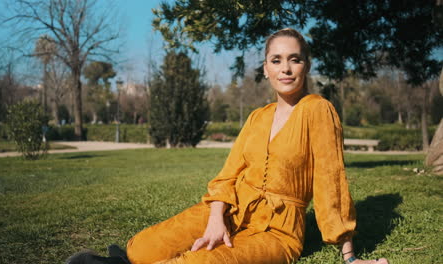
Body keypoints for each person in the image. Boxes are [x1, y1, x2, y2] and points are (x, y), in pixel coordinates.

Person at [67, 28, 389, 264]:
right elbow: (227, 175)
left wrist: (349, 257)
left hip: (277, 232)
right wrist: (216, 218)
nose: (286, 69)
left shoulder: (318, 109)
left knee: (199, 262)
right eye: (276, 60)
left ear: (306, 65)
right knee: (142, 248)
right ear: (266, 69)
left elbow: (331, 182)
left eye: (294, 60)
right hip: (231, 209)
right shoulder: (256, 117)